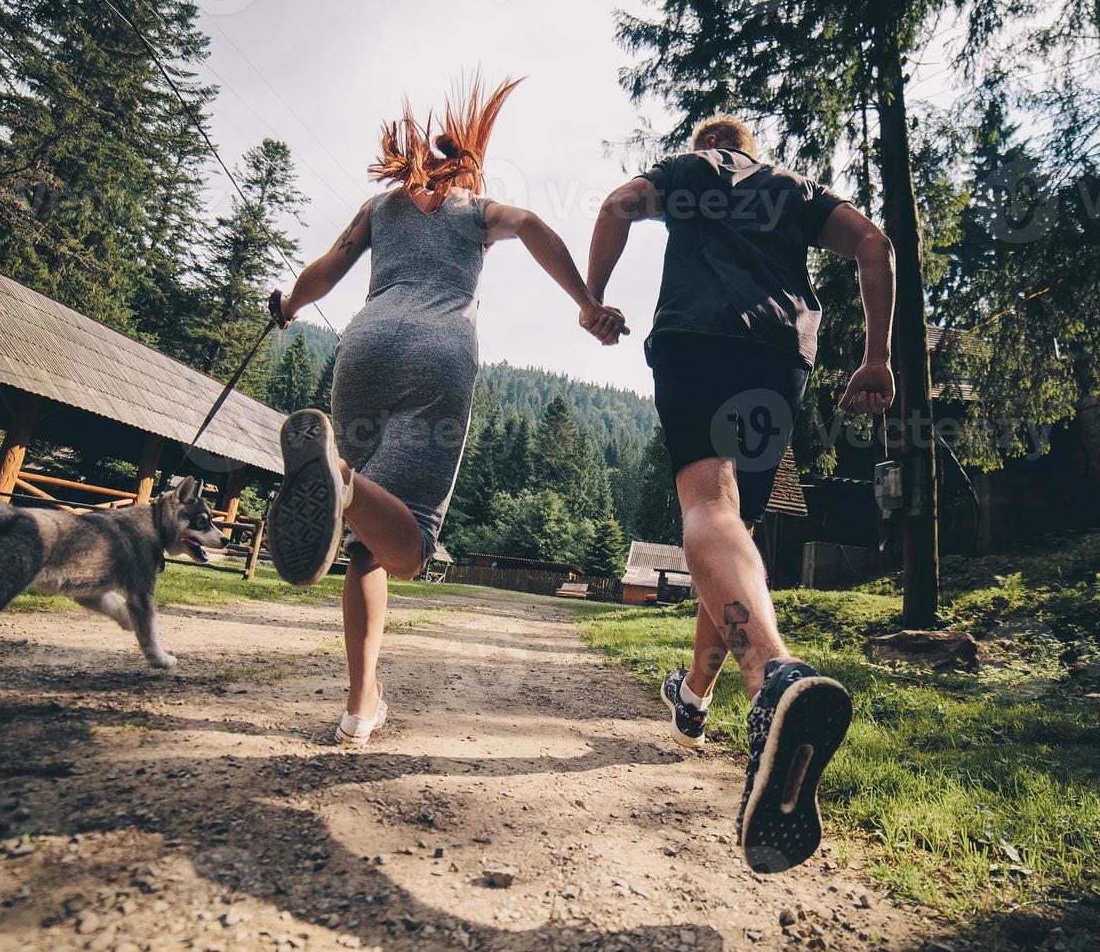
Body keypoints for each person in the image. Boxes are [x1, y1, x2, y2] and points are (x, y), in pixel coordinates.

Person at [267, 77, 629, 746]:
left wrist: (288, 307)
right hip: (437, 354)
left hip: (364, 347)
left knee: (364, 553)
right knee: (409, 552)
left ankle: (358, 709)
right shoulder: (476, 211)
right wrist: (585, 300)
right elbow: (534, 226)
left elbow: (331, 264)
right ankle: (340, 481)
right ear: (468, 170)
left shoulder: (381, 207)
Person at [586, 114, 896, 873]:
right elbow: (875, 245)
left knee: (708, 511)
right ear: (753, 148)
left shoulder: (691, 171)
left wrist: (592, 298)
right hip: (778, 356)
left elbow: (616, 205)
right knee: (735, 538)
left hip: (698, 339)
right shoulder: (793, 187)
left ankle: (774, 678)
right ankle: (694, 696)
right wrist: (876, 356)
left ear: (705, 147)